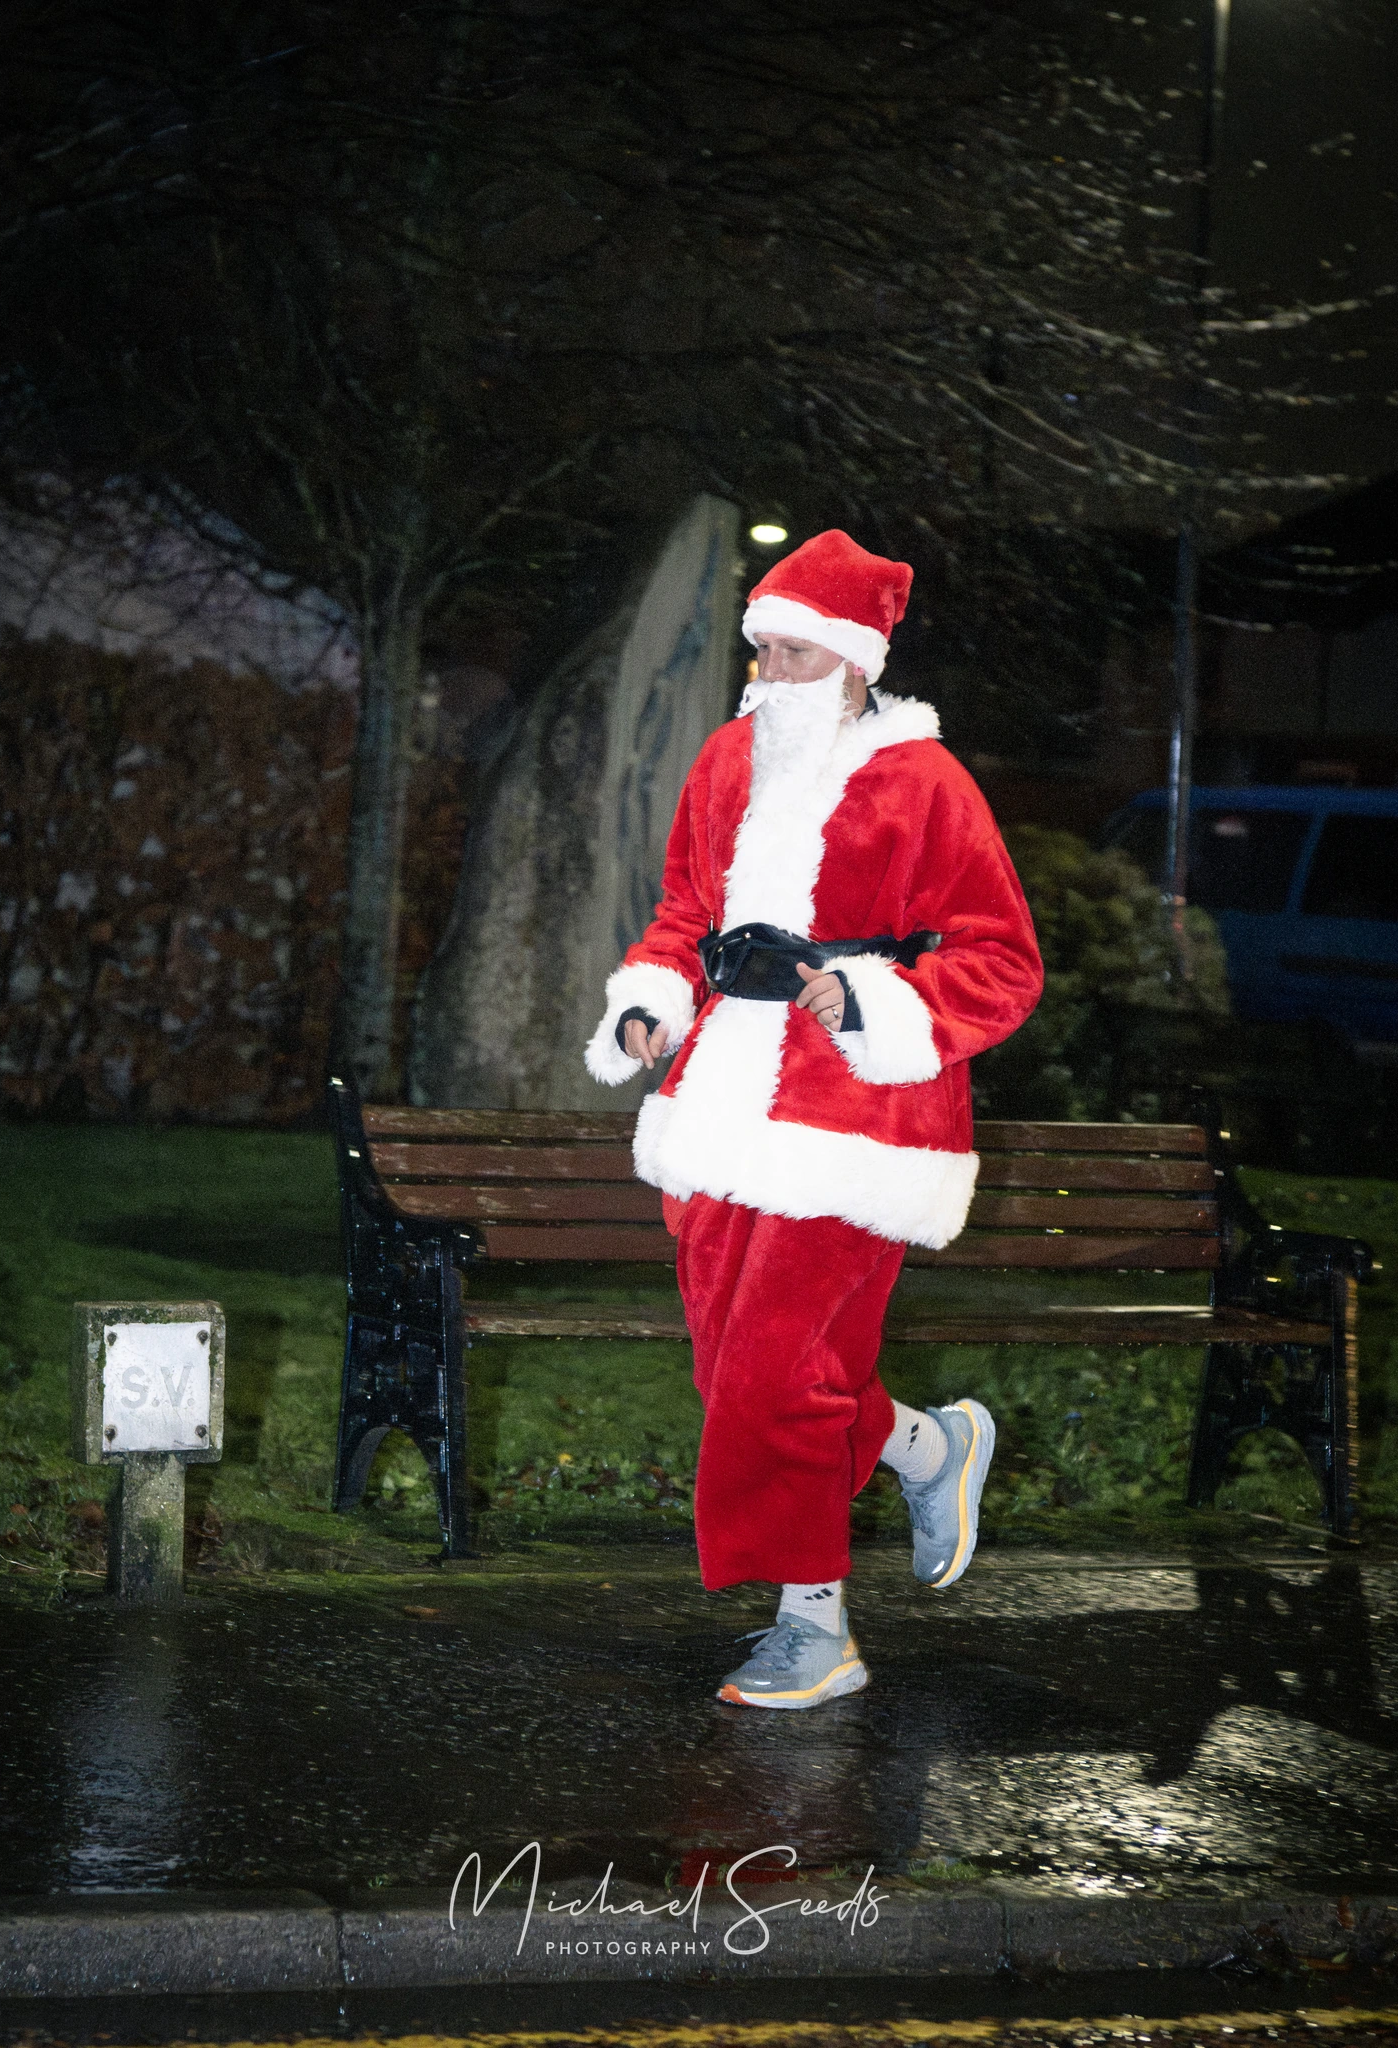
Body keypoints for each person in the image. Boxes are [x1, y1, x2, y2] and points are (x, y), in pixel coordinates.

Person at [584, 529, 1043, 1709]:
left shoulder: (926, 783)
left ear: (852, 660)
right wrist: (652, 1000)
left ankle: (814, 1626)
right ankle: (928, 1448)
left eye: (790, 653)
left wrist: (875, 997)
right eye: (759, 651)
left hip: (859, 1122)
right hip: (714, 1107)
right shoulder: (727, 761)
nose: (763, 675)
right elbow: (683, 910)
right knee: (740, 1372)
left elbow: (1001, 960)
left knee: (774, 1374)